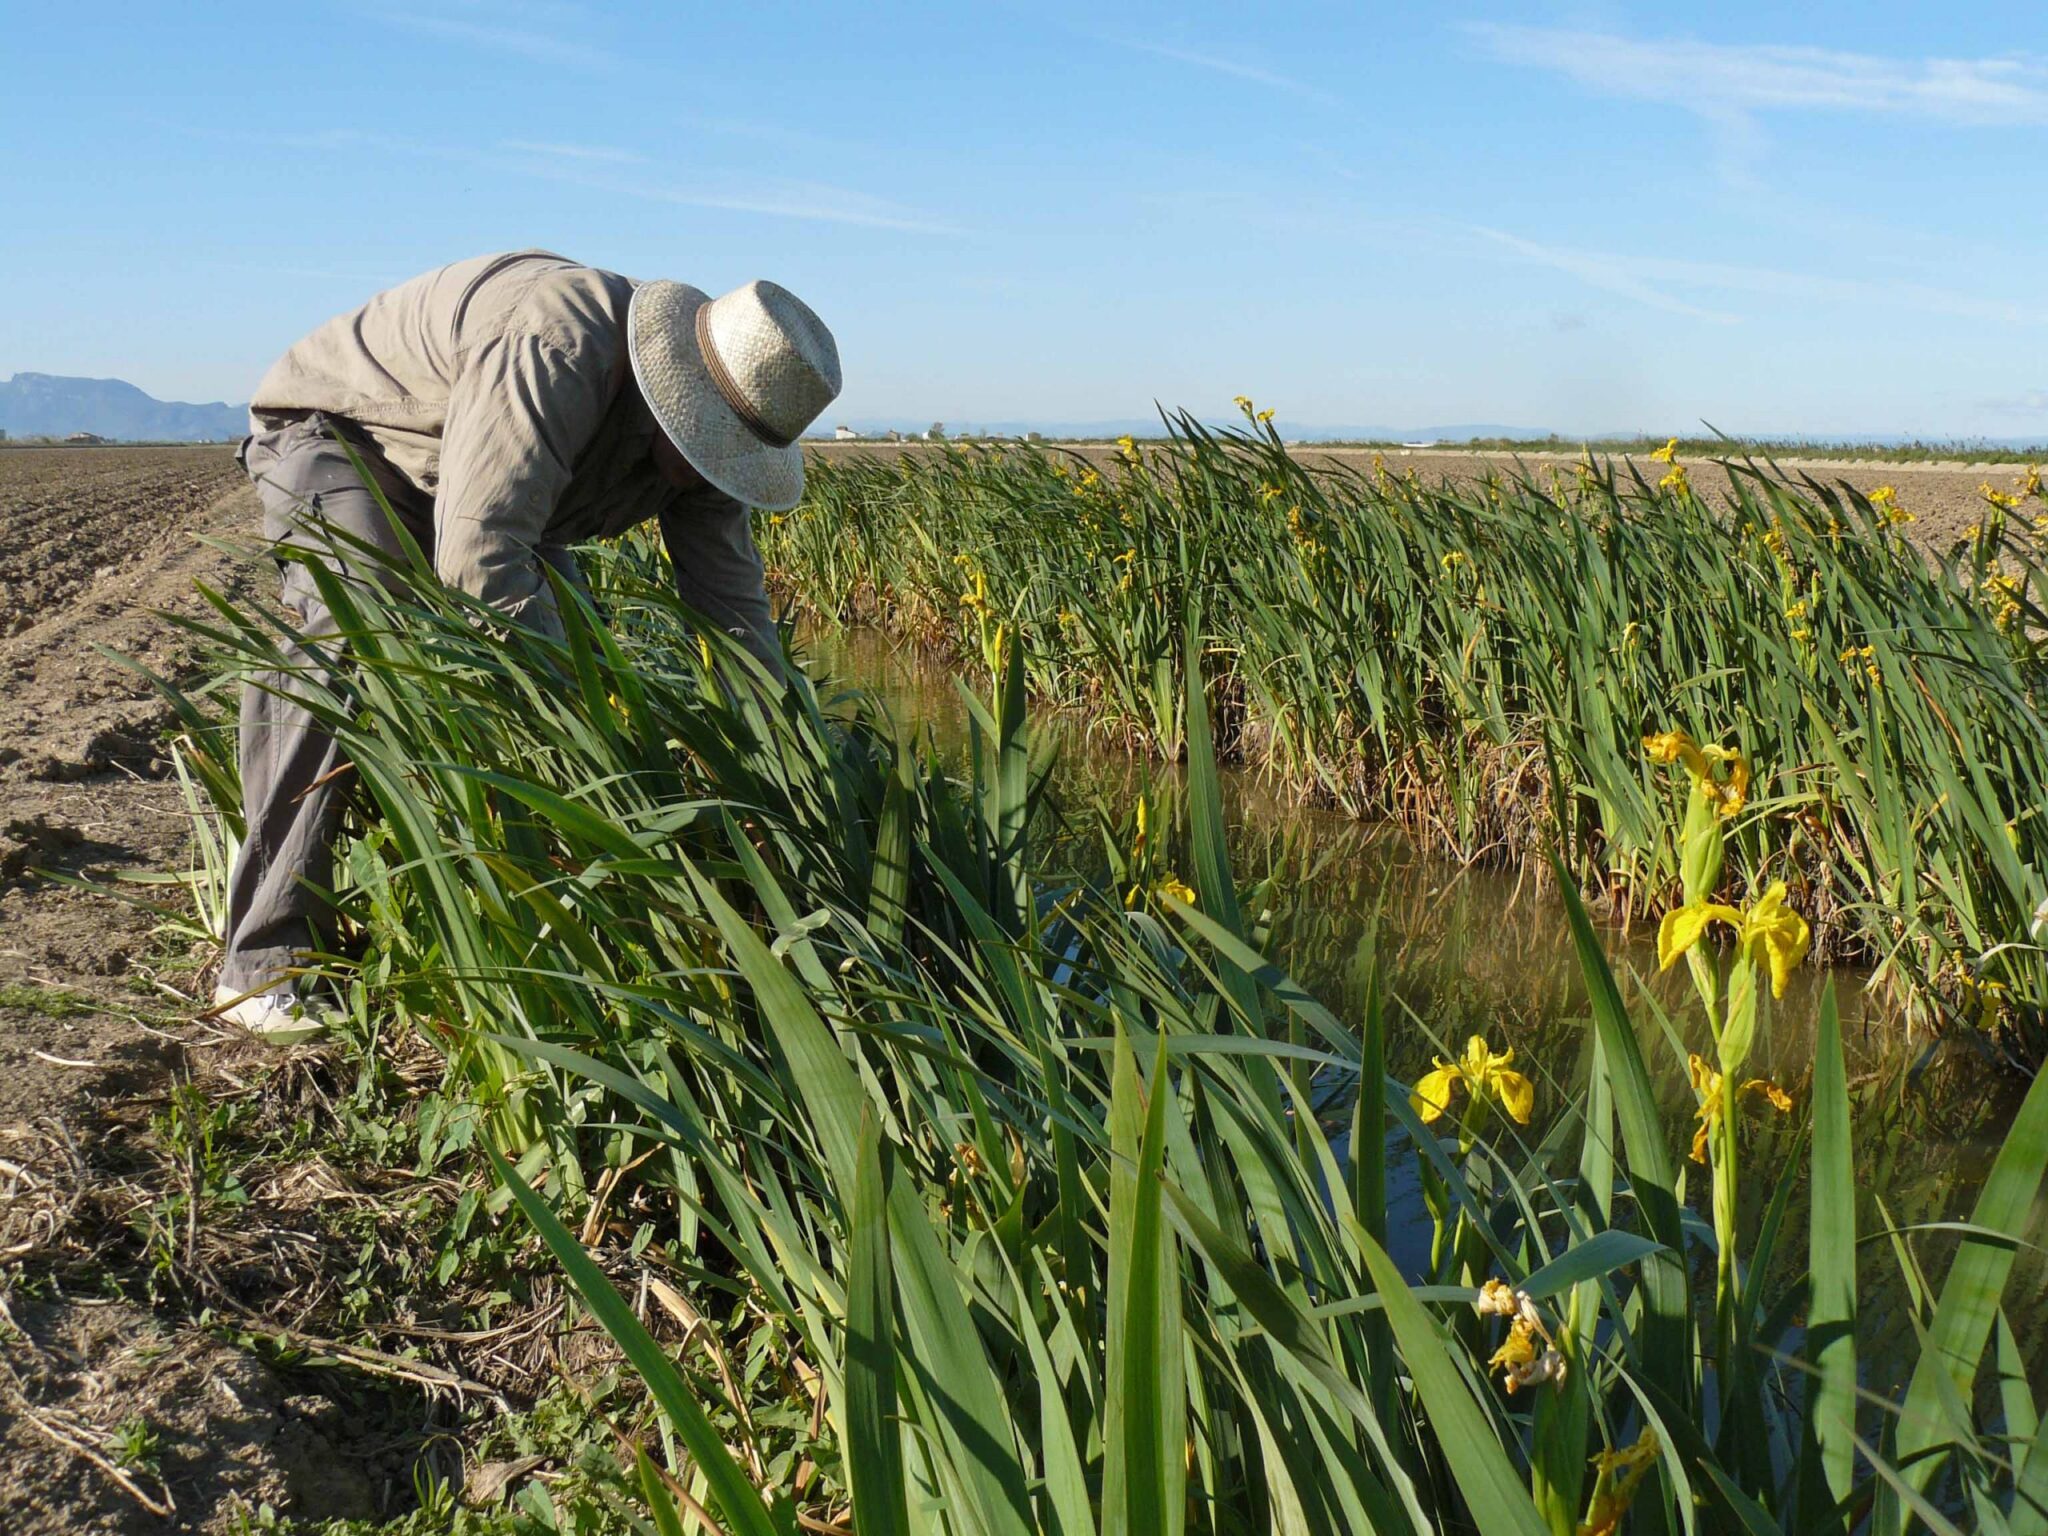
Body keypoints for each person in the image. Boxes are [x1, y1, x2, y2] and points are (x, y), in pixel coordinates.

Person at [212, 251, 841, 1041]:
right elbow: (481, 557)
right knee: (355, 621)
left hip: (478, 485)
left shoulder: (716, 451)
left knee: (580, 647)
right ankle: (265, 959)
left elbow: (736, 619)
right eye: (712, 443)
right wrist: (583, 725)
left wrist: (794, 765)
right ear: (679, 392)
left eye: (734, 453)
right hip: (347, 436)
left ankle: (533, 879)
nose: (717, 466)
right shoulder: (556, 344)